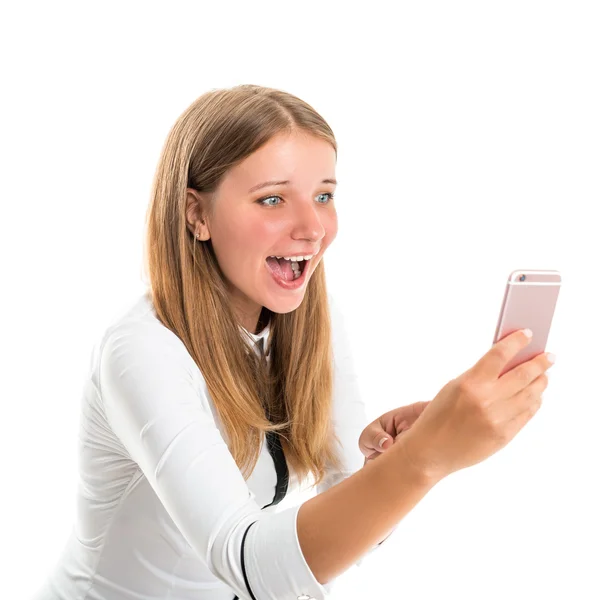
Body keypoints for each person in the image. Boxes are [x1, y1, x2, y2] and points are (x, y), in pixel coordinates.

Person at [32, 84, 555, 600]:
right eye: (273, 199)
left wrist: (395, 463)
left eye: (324, 195)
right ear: (197, 214)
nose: (314, 228)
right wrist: (421, 460)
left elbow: (347, 538)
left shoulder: (307, 321)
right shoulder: (142, 351)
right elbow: (249, 563)